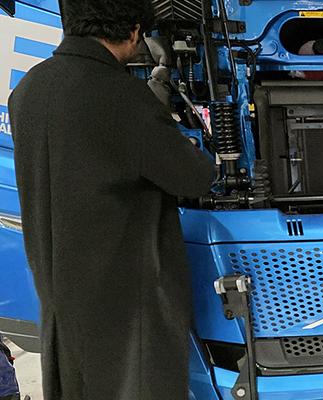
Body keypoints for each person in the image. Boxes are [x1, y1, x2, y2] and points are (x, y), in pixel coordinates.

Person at [7, 0, 216, 398]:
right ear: (133, 30)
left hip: (59, 293)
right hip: (124, 303)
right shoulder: (121, 95)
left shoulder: (29, 89)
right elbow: (194, 177)